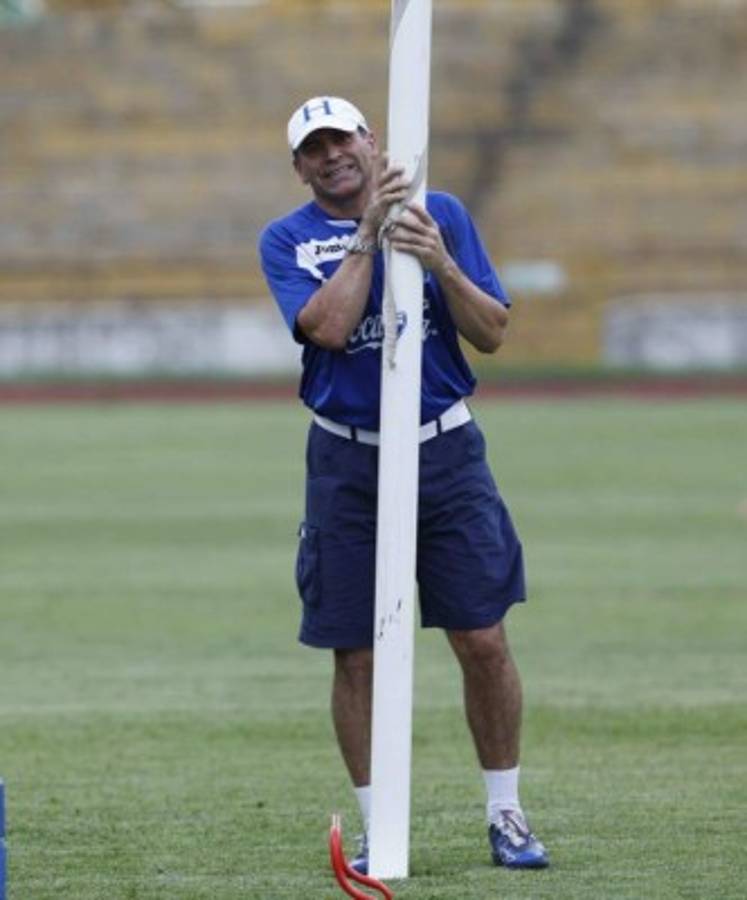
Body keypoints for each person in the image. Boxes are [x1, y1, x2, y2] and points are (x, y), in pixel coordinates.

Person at [258, 96, 549, 873]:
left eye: (341, 139)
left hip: (444, 451)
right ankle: (373, 825)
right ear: (298, 166)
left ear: (369, 139)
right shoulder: (286, 239)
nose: (331, 157)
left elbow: (491, 331)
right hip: (346, 460)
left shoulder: (442, 212)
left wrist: (439, 260)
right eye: (313, 149)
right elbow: (323, 327)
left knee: (482, 636)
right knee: (353, 651)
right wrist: (366, 237)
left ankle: (506, 812)